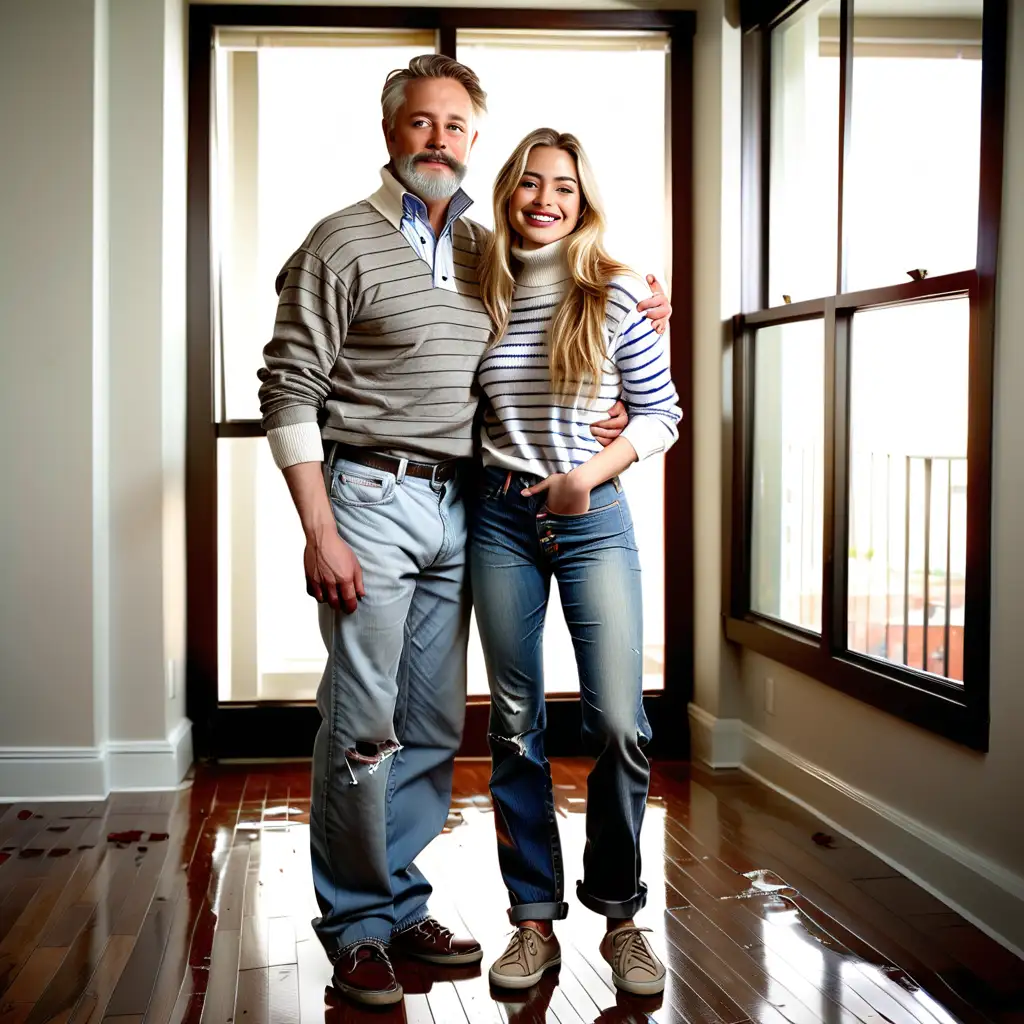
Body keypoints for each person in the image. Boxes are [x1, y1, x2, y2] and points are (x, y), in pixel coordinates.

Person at [257, 58, 671, 1007]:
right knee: (364, 722)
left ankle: (401, 903)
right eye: (419, 122)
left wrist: (647, 307)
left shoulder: (488, 254)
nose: (437, 139)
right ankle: (358, 924)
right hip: (368, 495)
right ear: (391, 132)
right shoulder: (339, 243)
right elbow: (288, 387)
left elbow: (580, 317)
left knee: (438, 724)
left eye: (455, 125)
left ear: (472, 141)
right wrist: (319, 529)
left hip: (468, 503)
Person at [471, 129, 682, 998]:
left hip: (591, 518)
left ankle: (622, 916)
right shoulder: (474, 285)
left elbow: (660, 414)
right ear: (508, 192)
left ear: (583, 198)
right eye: (529, 182)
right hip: (498, 517)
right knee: (514, 723)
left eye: (563, 185)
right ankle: (532, 922)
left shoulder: (620, 289)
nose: (545, 199)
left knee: (621, 723)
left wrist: (585, 479)